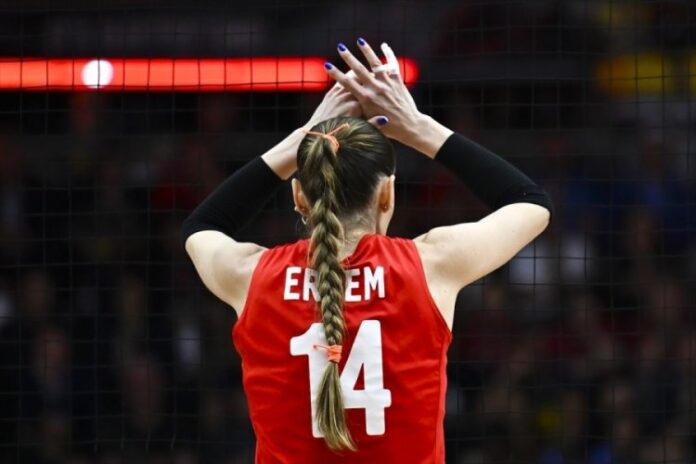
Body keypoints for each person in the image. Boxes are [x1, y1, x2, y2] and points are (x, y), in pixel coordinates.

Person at [182, 39, 552, 463]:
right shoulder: (432, 265)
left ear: (299, 197)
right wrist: (417, 127)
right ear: (387, 194)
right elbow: (531, 202)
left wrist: (300, 140)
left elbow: (201, 226)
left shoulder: (252, 276)